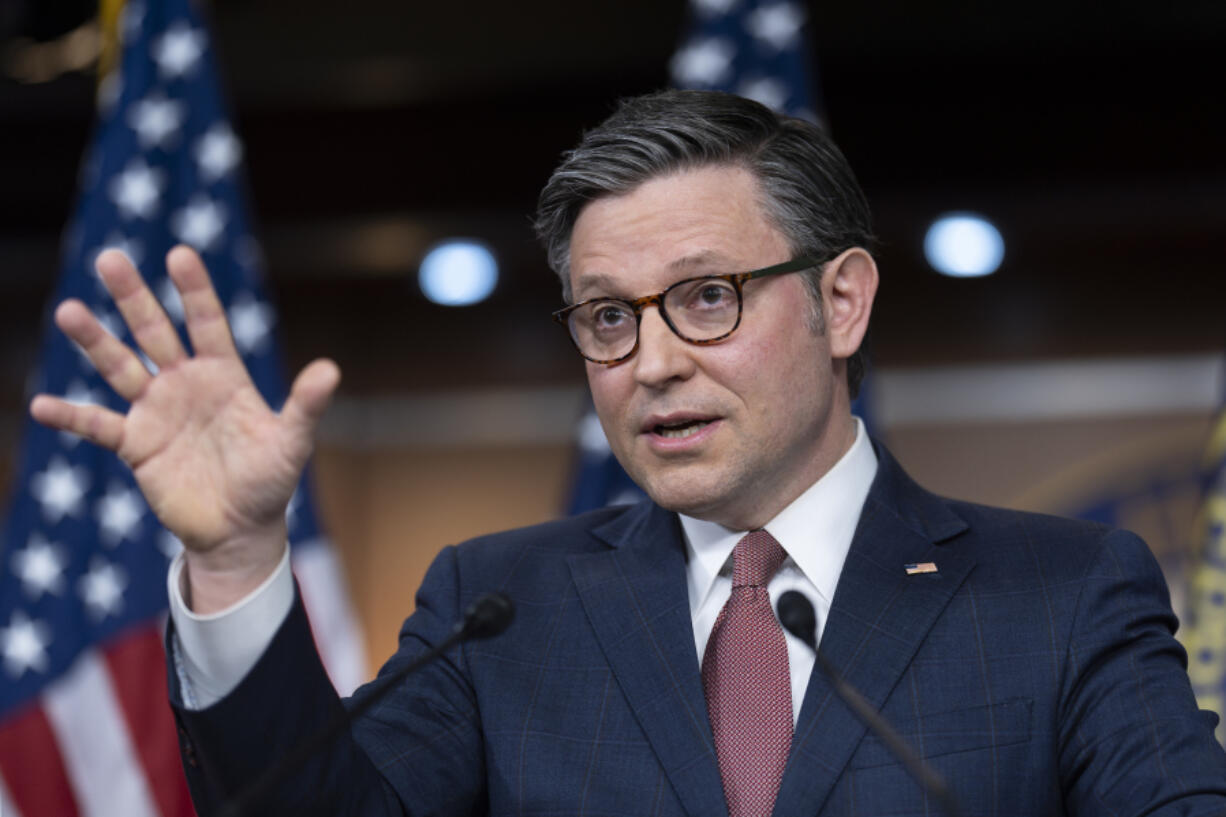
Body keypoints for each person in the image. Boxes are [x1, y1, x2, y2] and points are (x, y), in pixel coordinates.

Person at [31, 89, 1226, 816]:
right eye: (609, 317)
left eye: (706, 297)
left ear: (842, 301)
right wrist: (239, 558)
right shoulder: (500, 606)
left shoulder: (1062, 595)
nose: (650, 361)